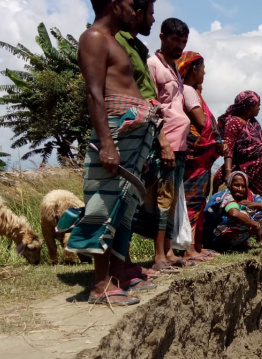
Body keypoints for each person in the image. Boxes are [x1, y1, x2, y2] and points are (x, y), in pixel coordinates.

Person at [68, 0, 161, 306]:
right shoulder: (94, 38)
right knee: (104, 207)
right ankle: (100, 286)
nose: (134, 9)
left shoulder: (115, 41)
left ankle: (117, 275)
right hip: (115, 136)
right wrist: (107, 144)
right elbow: (95, 93)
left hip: (131, 138)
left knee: (124, 209)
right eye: (130, 2)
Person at [113, 0, 162, 283]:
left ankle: (125, 263)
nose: (153, 20)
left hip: (143, 130)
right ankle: (120, 266)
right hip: (128, 130)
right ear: (138, 14)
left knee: (132, 200)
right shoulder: (118, 43)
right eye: (151, 13)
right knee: (123, 197)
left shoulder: (136, 48)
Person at [144, 17, 193, 273]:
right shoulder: (152, 65)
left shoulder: (173, 68)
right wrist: (162, 141)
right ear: (162, 37)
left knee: (172, 199)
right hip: (165, 143)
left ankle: (169, 251)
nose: (179, 46)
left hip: (180, 144)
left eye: (183, 42)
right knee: (162, 199)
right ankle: (158, 255)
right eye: (175, 40)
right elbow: (150, 104)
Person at [177, 51, 223, 261]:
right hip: (194, 159)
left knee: (198, 200)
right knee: (192, 202)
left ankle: (196, 247)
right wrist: (218, 140)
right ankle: (189, 250)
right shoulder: (188, 91)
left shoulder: (190, 91)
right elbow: (203, 124)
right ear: (194, 69)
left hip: (199, 160)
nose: (205, 73)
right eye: (203, 68)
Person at [214, 91, 262, 200]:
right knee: (244, 200)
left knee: (260, 202)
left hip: (259, 172)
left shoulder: (253, 123)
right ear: (248, 106)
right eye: (257, 105)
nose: (259, 108)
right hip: (243, 170)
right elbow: (229, 150)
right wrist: (228, 173)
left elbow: (259, 149)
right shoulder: (233, 122)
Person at [202, 171, 262, 252]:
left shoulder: (249, 195)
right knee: (243, 216)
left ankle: (243, 243)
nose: (240, 189)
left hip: (225, 230)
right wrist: (256, 225)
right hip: (211, 234)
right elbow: (234, 213)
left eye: (243, 186)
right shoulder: (226, 195)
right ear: (230, 185)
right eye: (236, 185)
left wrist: (254, 204)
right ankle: (223, 246)